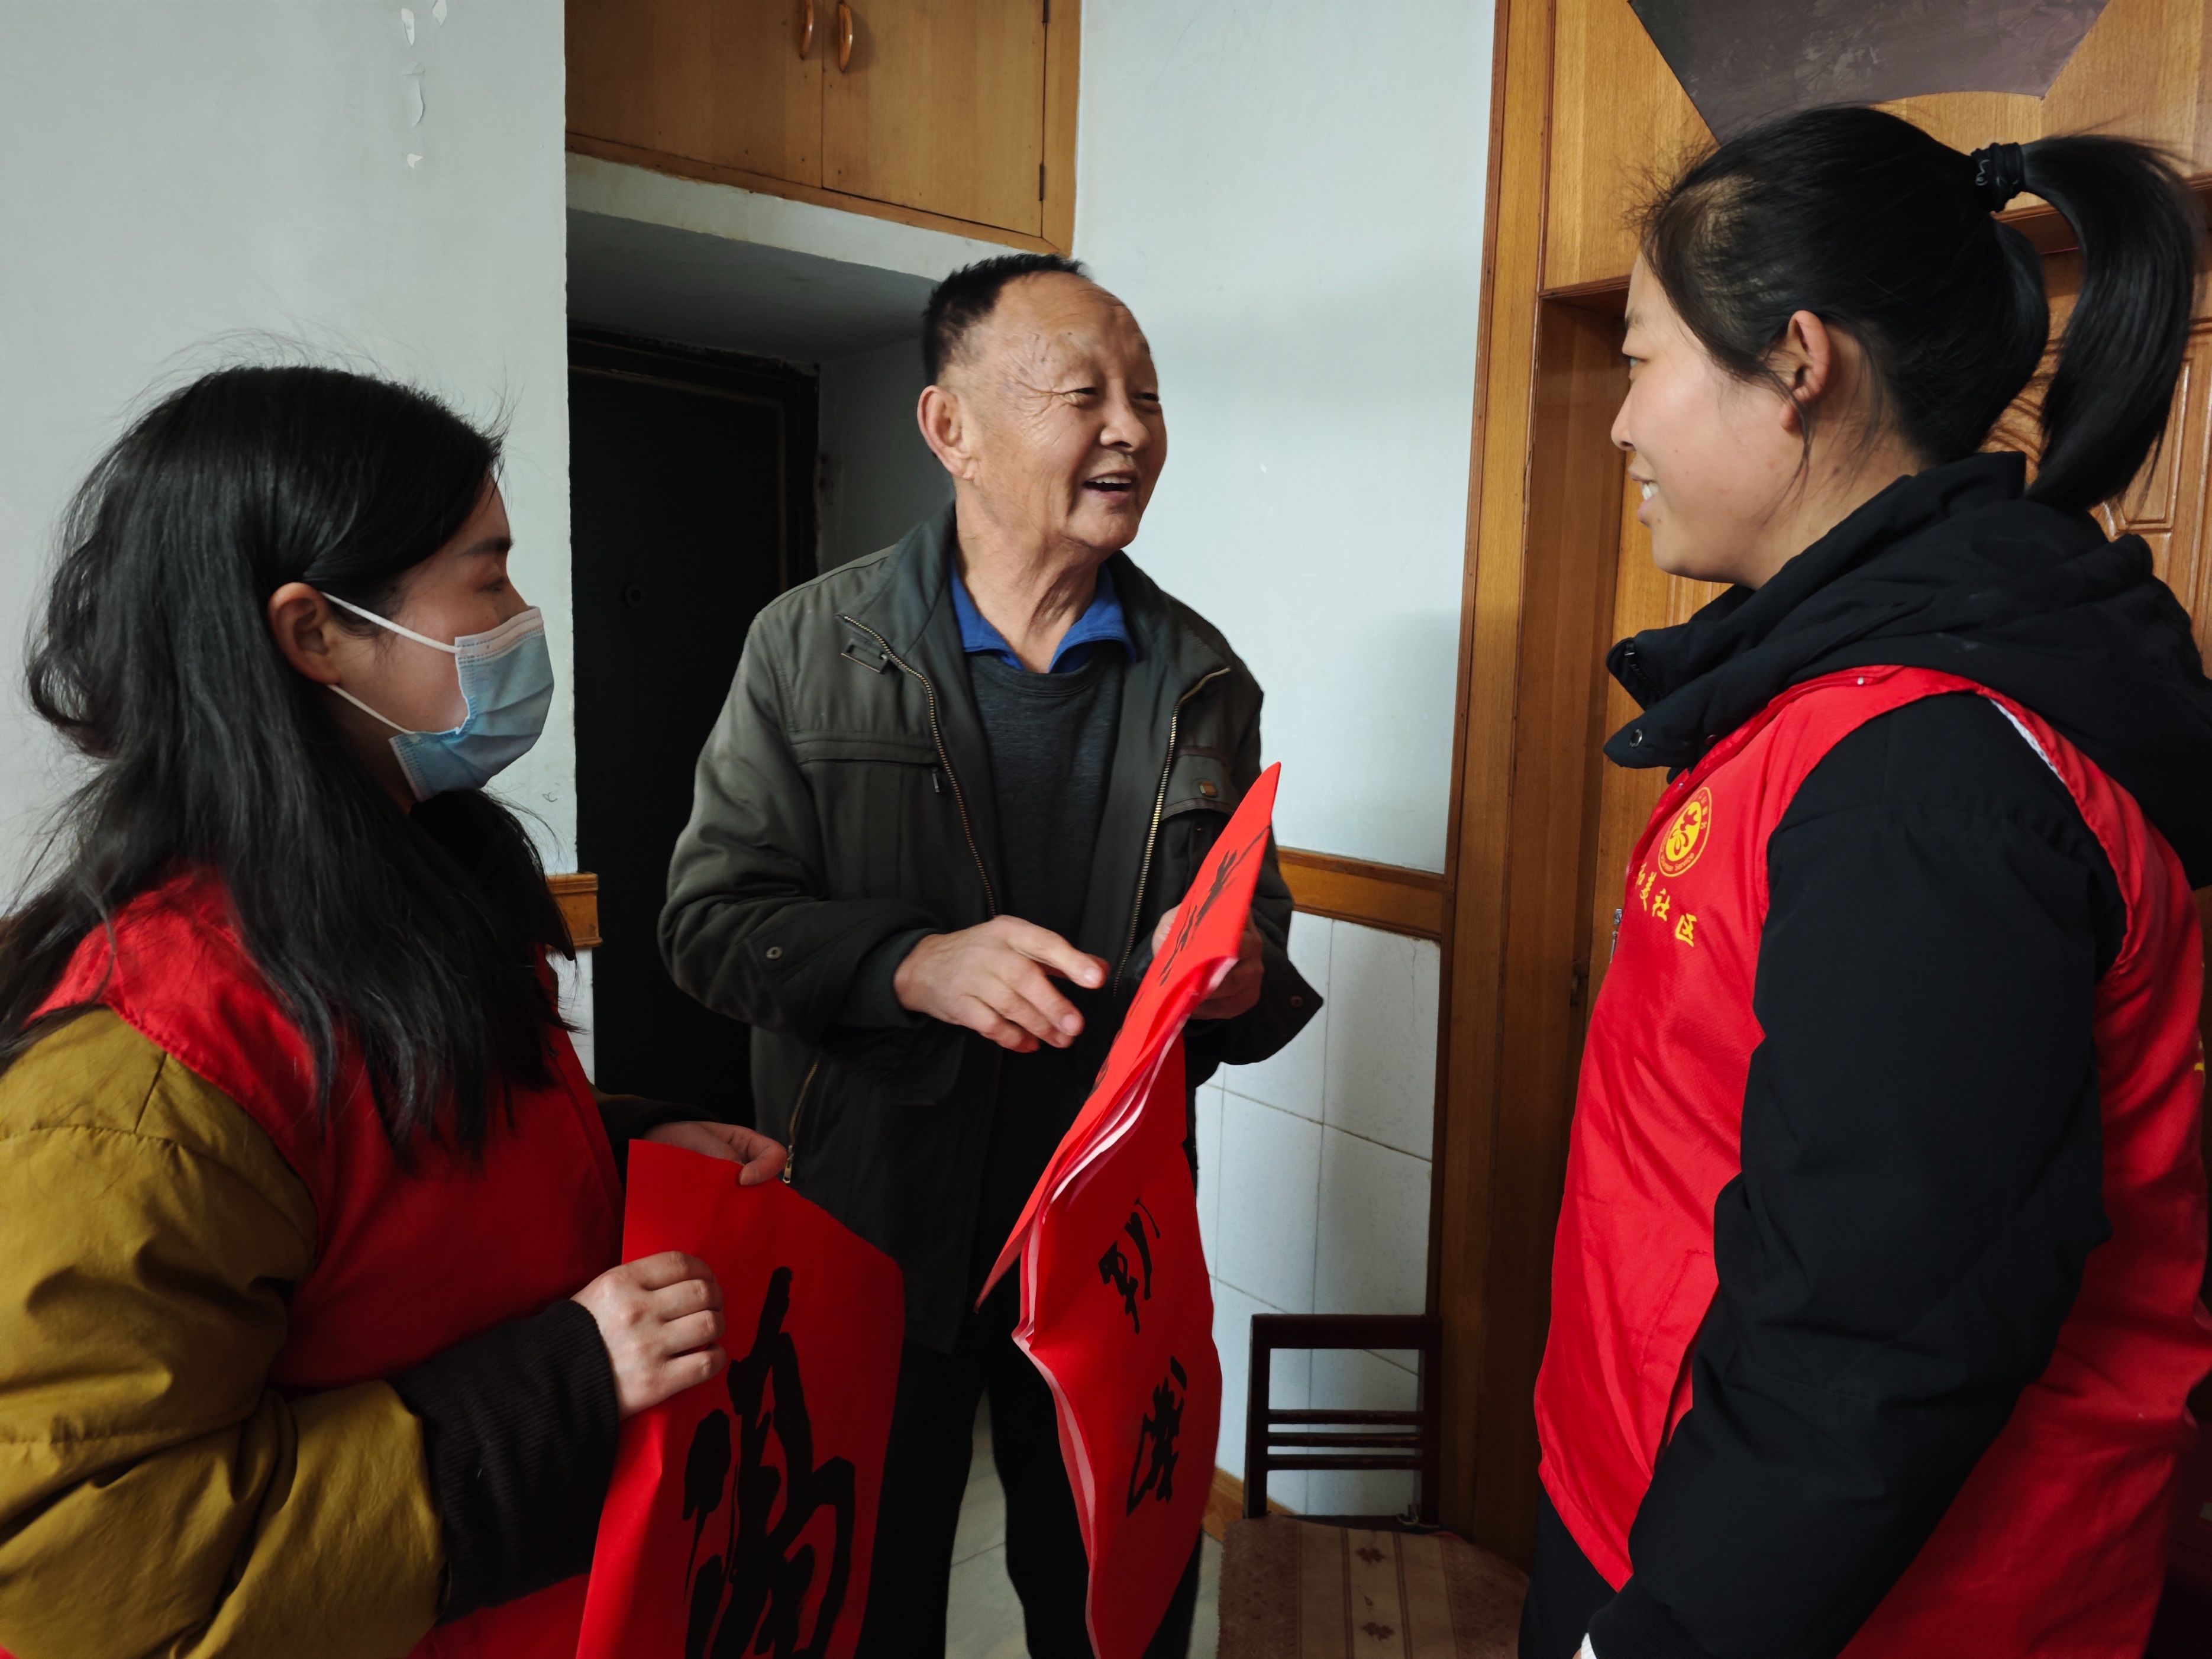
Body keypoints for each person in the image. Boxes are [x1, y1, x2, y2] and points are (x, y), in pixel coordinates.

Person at [1523, 108, 2212, 1659]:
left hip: (1859, 1612)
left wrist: (1665, 1629)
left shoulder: (1929, 778)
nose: (1619, 424)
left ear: (1797, 364)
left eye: (1640, 361)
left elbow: (1870, 1331)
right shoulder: (1835, 697)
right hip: (1660, 1511)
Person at [0, 365, 784, 1659]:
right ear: (316, 634)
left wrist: (622, 1143)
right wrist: (561, 1388)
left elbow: (384, 1177)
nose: (524, 621)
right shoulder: (146, 1067)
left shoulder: (407, 885)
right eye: (489, 581)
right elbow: (88, 1570)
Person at [660, 254, 1319, 1656]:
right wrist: (909, 964)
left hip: (1103, 1248)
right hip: (872, 1231)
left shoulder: (1203, 676)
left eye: (1146, 395)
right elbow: (708, 922)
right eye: (1083, 392)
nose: (1130, 428)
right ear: (949, 426)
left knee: (1114, 1608)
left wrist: (1234, 974)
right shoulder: (809, 646)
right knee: (862, 1600)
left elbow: (1251, 929)